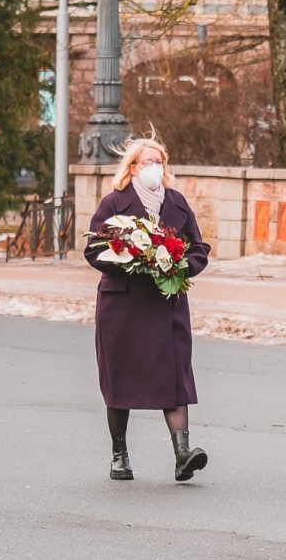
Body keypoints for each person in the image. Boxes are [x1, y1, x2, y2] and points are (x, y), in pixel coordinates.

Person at [84, 136, 211, 482]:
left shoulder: (178, 203)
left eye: (159, 162)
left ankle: (183, 454)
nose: (154, 168)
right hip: (122, 307)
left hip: (166, 304)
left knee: (174, 378)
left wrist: (178, 265)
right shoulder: (114, 202)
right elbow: (94, 249)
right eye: (147, 162)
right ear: (133, 167)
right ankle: (119, 455)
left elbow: (198, 249)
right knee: (120, 378)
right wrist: (131, 259)